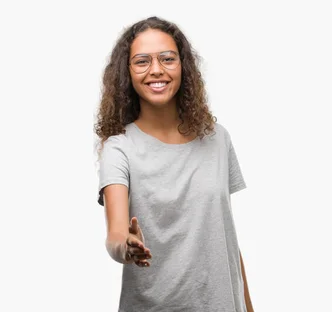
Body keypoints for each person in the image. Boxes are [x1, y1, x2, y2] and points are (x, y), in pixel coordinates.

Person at [94, 16, 255, 312]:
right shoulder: (120, 148)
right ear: (127, 73)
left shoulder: (217, 139)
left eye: (167, 58)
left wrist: (248, 306)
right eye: (142, 61)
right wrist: (126, 247)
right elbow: (116, 233)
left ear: (183, 66)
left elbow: (224, 236)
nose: (156, 69)